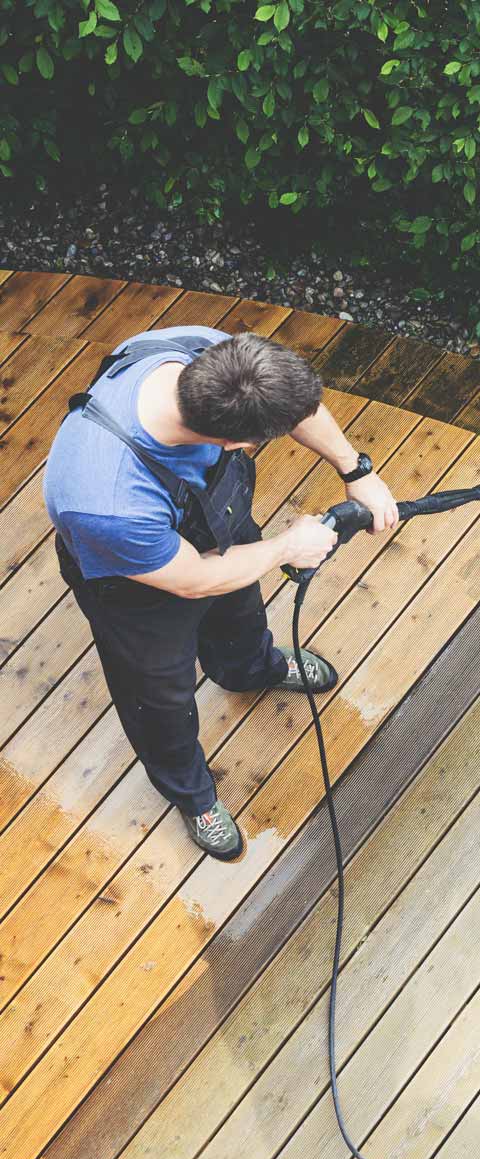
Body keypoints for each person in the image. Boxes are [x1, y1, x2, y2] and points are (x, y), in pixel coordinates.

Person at [43, 326, 400, 862]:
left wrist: (356, 470)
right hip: (136, 586)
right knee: (158, 697)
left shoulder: (210, 358)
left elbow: (296, 405)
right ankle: (194, 796)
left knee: (240, 615)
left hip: (216, 527)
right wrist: (287, 546)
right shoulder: (105, 496)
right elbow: (194, 579)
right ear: (237, 444)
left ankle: (251, 670)